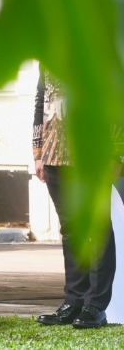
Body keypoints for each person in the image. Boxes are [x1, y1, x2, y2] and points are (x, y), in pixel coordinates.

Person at [33, 68, 114, 329]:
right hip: (53, 154)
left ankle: (96, 305)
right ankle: (75, 301)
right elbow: (41, 100)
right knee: (70, 230)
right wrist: (38, 152)